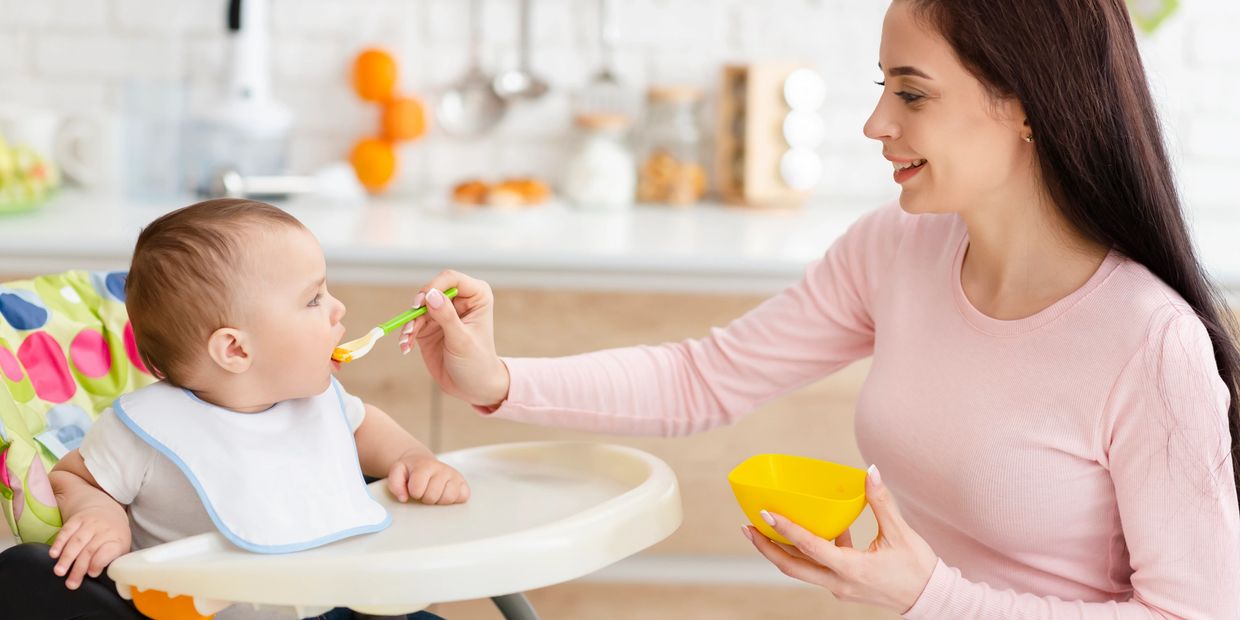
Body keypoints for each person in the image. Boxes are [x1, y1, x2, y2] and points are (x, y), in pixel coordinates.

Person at [396, 0, 1240, 616]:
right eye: (884, 89)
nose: (876, 122)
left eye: (912, 94)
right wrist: (500, 379)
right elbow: (705, 379)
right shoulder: (899, 249)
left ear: (1023, 105)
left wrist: (929, 597)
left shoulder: (1147, 341)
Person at [0, 199, 465, 620]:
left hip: (344, 604)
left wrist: (414, 458)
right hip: (201, 615)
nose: (338, 309)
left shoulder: (318, 399)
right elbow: (74, 476)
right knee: (24, 573)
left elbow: (366, 430)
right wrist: (101, 514)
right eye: (314, 298)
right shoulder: (147, 429)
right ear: (236, 350)